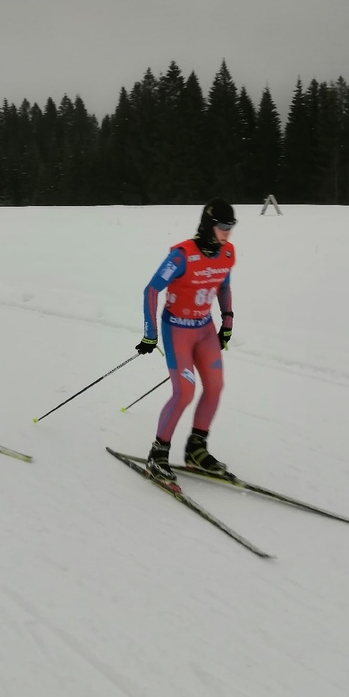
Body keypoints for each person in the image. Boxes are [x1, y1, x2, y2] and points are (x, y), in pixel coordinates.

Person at [135, 198, 237, 483]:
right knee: (185, 392)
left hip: (204, 329)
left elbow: (224, 285)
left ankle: (196, 448)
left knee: (215, 387)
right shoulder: (181, 256)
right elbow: (151, 291)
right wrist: (150, 333)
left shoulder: (227, 253)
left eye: (231, 226)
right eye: (222, 226)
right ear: (208, 225)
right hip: (177, 330)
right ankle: (158, 453)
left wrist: (227, 320)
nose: (227, 232)